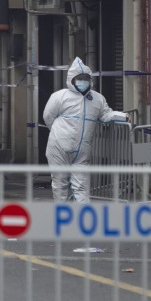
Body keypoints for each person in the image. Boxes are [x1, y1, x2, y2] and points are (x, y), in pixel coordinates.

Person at [42, 57, 129, 202]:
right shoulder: (60, 97)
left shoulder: (97, 99)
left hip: (82, 150)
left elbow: (106, 114)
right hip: (58, 147)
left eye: (85, 78)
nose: (82, 82)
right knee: (60, 184)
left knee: (81, 186)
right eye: (79, 78)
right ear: (72, 79)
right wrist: (58, 134)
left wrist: (122, 116)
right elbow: (48, 117)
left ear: (90, 80)